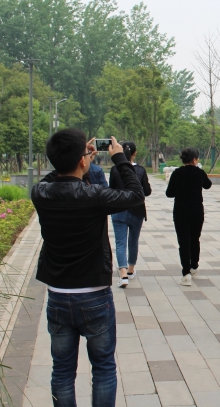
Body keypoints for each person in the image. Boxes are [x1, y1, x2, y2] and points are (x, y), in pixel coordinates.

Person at [32, 130, 145, 407]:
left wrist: (74, 159)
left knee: (62, 370)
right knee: (103, 367)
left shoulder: (40, 193)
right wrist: (119, 158)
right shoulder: (94, 195)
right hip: (94, 296)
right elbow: (135, 194)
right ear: (83, 161)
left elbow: (55, 175)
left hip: (58, 295)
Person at [166, 148, 212, 286]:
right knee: (195, 238)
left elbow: (169, 193)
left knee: (183, 241)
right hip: (196, 211)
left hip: (180, 211)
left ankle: (186, 273)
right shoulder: (199, 173)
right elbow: (208, 185)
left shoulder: (177, 173)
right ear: (194, 160)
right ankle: (194, 266)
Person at [109, 141, 152, 288]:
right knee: (133, 241)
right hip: (137, 210)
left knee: (120, 243)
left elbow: (111, 189)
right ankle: (131, 269)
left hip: (119, 210)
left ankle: (123, 274)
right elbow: (147, 191)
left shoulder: (115, 169)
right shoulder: (140, 170)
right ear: (135, 153)